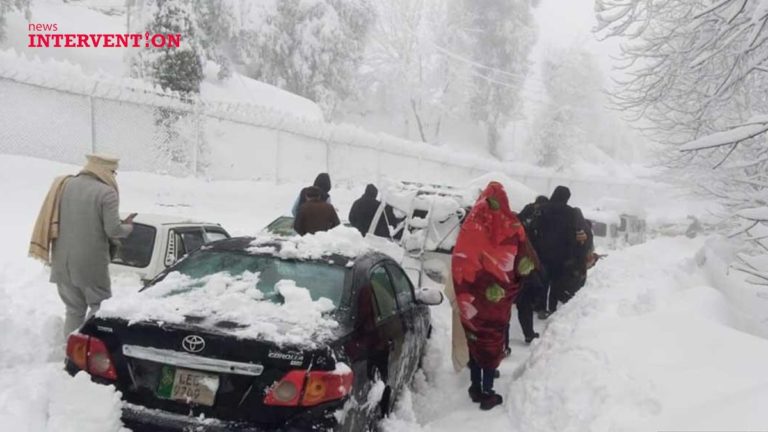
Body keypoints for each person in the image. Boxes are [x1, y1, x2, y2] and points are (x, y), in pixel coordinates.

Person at [30, 154, 134, 338]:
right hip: (91, 266)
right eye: (113, 172)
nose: (114, 176)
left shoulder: (64, 186)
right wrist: (128, 227)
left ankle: (71, 355)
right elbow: (113, 230)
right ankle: (92, 353)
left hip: (62, 262)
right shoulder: (106, 192)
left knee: (73, 310)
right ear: (104, 170)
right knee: (100, 308)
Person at [452, 182, 535, 410]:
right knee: (492, 341)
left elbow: (459, 259)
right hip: (496, 303)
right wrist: (509, 287)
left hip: (470, 298)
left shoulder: (471, 227)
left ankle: (475, 385)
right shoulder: (513, 227)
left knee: (476, 338)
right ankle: (487, 392)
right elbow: (524, 264)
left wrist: (470, 287)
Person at [532, 185, 580, 318]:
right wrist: (571, 254)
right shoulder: (570, 212)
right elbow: (572, 234)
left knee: (543, 280)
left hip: (543, 252)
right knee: (556, 282)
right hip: (561, 254)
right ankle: (552, 307)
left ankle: (541, 308)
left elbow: (535, 227)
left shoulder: (543, 209)